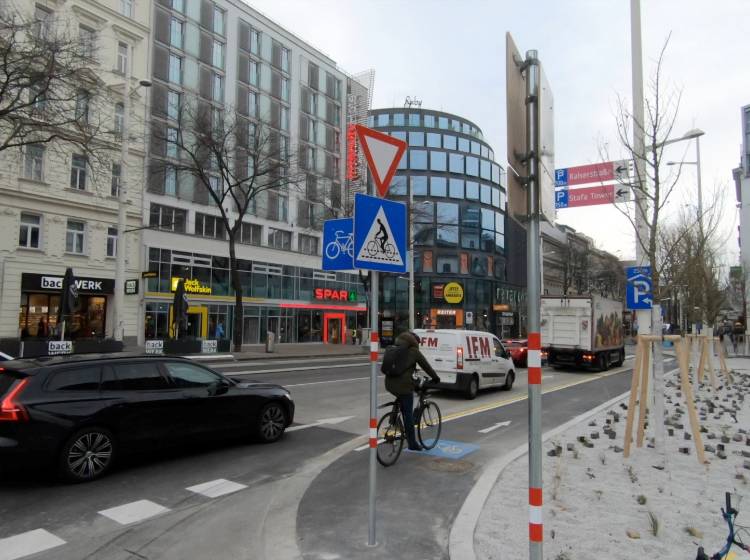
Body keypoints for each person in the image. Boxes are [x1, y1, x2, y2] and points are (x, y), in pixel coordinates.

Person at [385, 331, 440, 451]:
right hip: (403, 386)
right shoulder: (414, 351)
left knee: (401, 396)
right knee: (408, 414)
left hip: (389, 384)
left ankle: (393, 418)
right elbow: (426, 366)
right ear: (414, 342)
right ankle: (412, 443)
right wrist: (435, 378)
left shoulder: (395, 348)